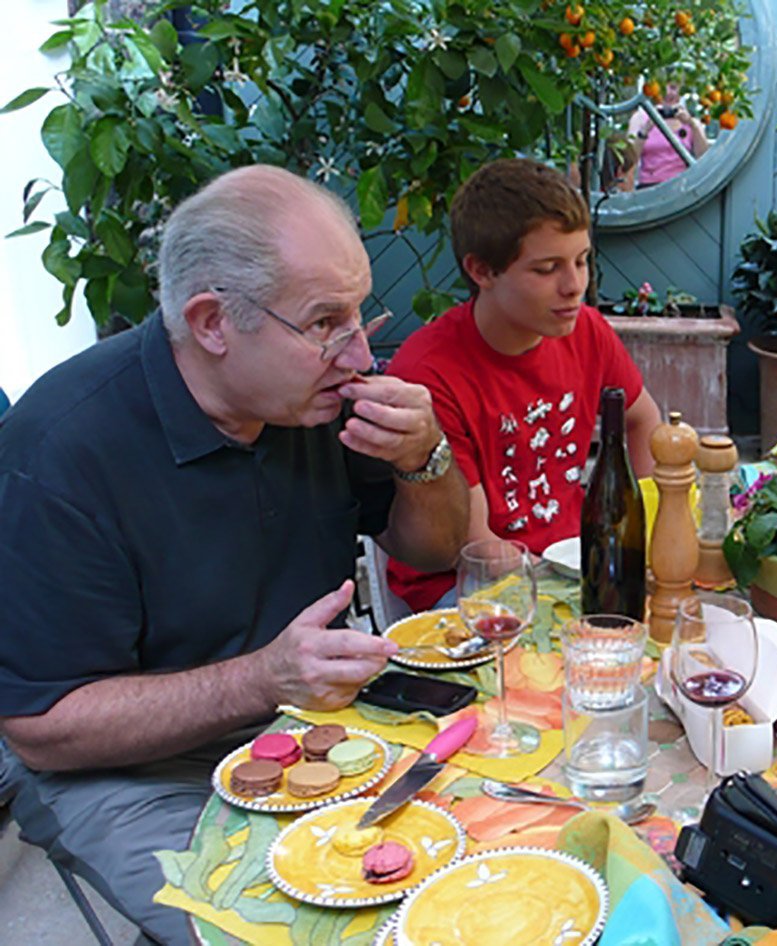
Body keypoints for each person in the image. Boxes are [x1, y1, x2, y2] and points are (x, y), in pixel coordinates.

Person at [0, 165, 468, 943]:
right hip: (133, 771)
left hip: (320, 720)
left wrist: (427, 456)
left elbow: (434, 546)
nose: (359, 355)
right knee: (290, 931)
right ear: (213, 323)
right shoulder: (61, 452)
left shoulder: (313, 400)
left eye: (361, 315)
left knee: (479, 862)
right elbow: (42, 726)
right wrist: (263, 678)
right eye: (325, 323)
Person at [386, 158, 659, 611]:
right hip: (463, 583)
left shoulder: (586, 331)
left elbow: (643, 418)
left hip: (569, 560)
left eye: (582, 260)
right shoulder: (429, 373)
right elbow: (481, 545)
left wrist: (639, 533)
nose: (574, 286)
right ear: (482, 271)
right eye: (547, 268)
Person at [624, 86, 710, 189]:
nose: (669, 94)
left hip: (681, 185)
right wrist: (646, 129)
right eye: (664, 89)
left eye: (674, 87)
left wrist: (692, 125)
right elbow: (629, 159)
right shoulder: (640, 118)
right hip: (649, 185)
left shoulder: (690, 121)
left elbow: (703, 157)